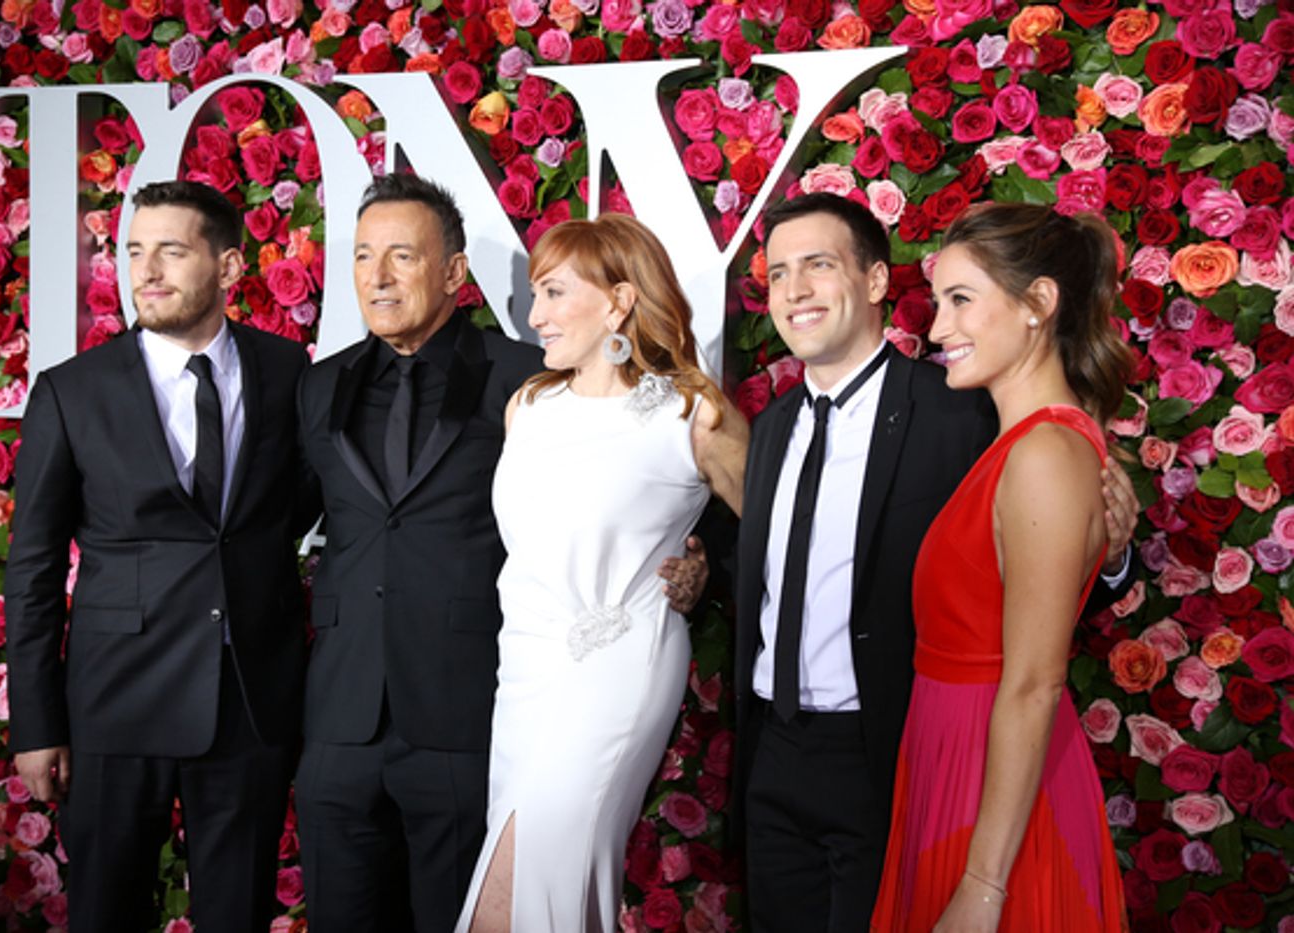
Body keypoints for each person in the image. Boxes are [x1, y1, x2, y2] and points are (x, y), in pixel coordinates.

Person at [294, 176, 707, 931]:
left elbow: (647, 471)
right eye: (361, 256)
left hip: (468, 714)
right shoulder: (319, 387)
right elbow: (273, 526)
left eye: (401, 256)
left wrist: (698, 560)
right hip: (339, 724)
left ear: (454, 273)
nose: (377, 277)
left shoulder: (530, 380)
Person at [733, 193, 1138, 932]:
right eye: (778, 272)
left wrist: (1110, 552)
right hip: (782, 749)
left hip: (897, 752)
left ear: (876, 282)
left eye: (816, 265)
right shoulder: (771, 427)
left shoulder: (967, 407)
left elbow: (1035, 628)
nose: (792, 291)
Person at [4, 180, 313, 932]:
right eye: (136, 251)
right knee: (106, 914)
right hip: (115, 705)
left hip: (249, 700)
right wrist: (37, 721)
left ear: (231, 266)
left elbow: (302, 507)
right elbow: (35, 564)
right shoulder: (72, 391)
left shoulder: (289, 372)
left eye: (171, 251)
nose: (147, 270)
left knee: (236, 914)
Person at [456, 213, 748, 933]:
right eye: (535, 293)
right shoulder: (530, 405)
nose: (536, 314)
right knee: (542, 884)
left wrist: (706, 565)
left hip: (613, 667)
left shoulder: (690, 411)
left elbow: (778, 537)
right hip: (522, 671)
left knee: (526, 881)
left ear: (618, 301)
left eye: (555, 292)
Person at [871, 204, 1129, 930]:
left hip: (996, 787)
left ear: (1038, 304)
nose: (937, 329)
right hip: (957, 760)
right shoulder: (1020, 445)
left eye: (961, 300)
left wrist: (985, 885)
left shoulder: (1044, 453)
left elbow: (1035, 681)